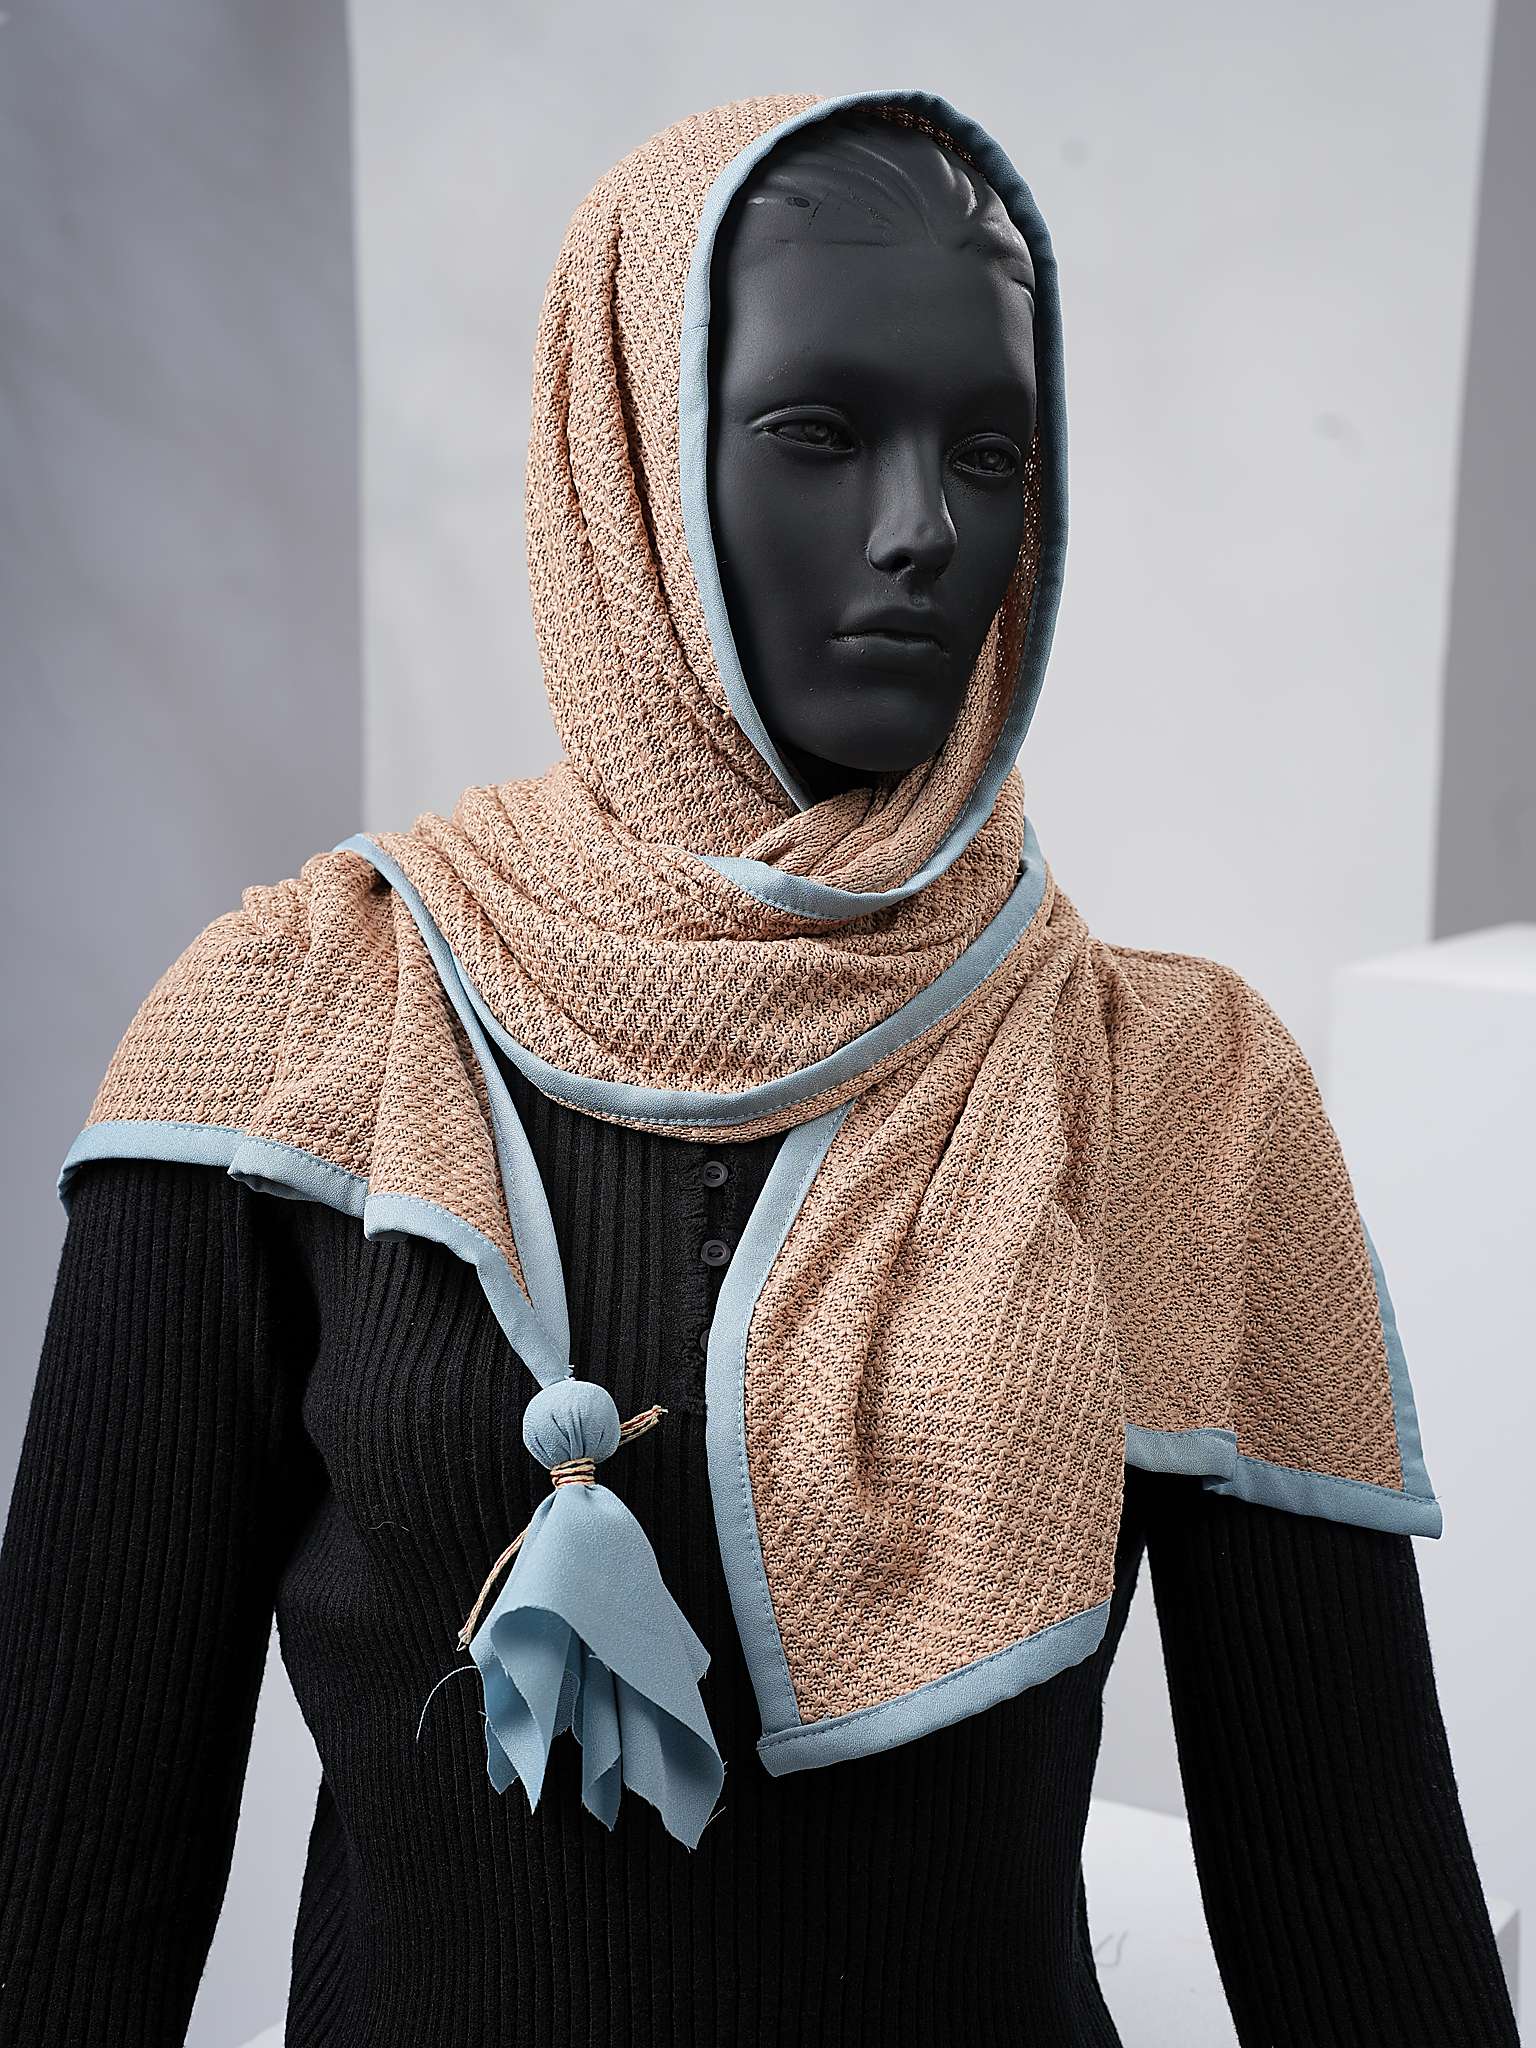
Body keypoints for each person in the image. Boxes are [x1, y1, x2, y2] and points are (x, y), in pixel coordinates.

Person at [0, 90, 1519, 2048]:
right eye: (818, 431)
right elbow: (65, 1889)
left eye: (992, 451)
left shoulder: (1174, 1092)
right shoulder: (295, 1026)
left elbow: (1355, 1901)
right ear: (625, 454)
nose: (926, 528)